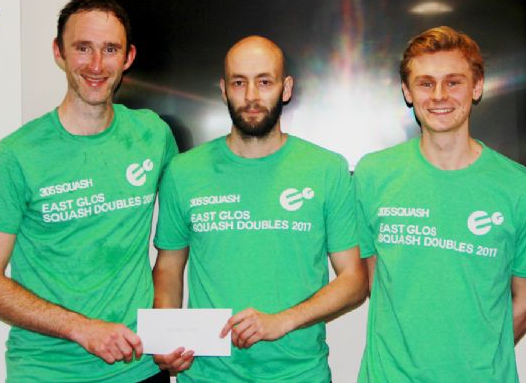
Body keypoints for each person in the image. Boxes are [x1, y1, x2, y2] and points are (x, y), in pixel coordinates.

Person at [0, 0, 178, 382]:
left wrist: (171, 331)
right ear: (58, 52)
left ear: (128, 57)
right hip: (48, 372)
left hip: (141, 369)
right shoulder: (16, 155)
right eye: (83, 48)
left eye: (110, 49)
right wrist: (81, 328)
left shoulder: (153, 135)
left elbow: (182, 234)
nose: (96, 65)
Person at [152, 35, 367, 382]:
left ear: (285, 88)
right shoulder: (184, 171)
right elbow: (168, 268)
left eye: (264, 82)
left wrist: (281, 321)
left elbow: (355, 280)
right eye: (239, 82)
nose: (252, 96)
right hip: (208, 375)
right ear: (224, 90)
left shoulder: (327, 169)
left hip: (299, 374)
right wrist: (164, 338)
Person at [355, 26, 526, 382]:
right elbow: (373, 279)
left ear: (477, 87)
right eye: (426, 83)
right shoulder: (372, 174)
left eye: (454, 82)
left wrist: (476, 355)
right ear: (407, 92)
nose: (439, 95)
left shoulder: (523, 189)